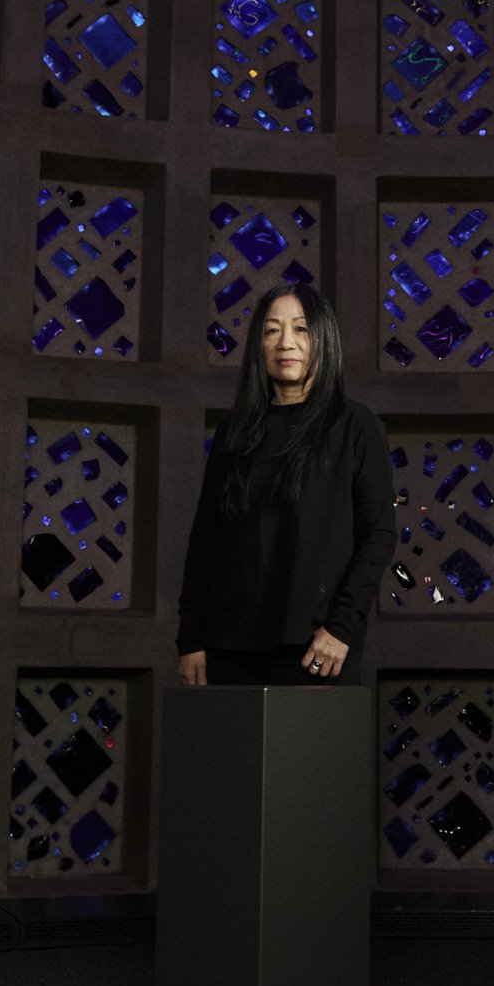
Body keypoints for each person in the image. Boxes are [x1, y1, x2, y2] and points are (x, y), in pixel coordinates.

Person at [176, 283, 393, 686]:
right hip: (228, 648)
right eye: (272, 330)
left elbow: (378, 536)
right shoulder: (233, 433)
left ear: (323, 339)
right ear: (259, 344)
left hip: (316, 647)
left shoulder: (355, 426)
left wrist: (342, 627)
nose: (285, 343)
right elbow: (205, 541)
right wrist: (190, 638)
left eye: (301, 329)